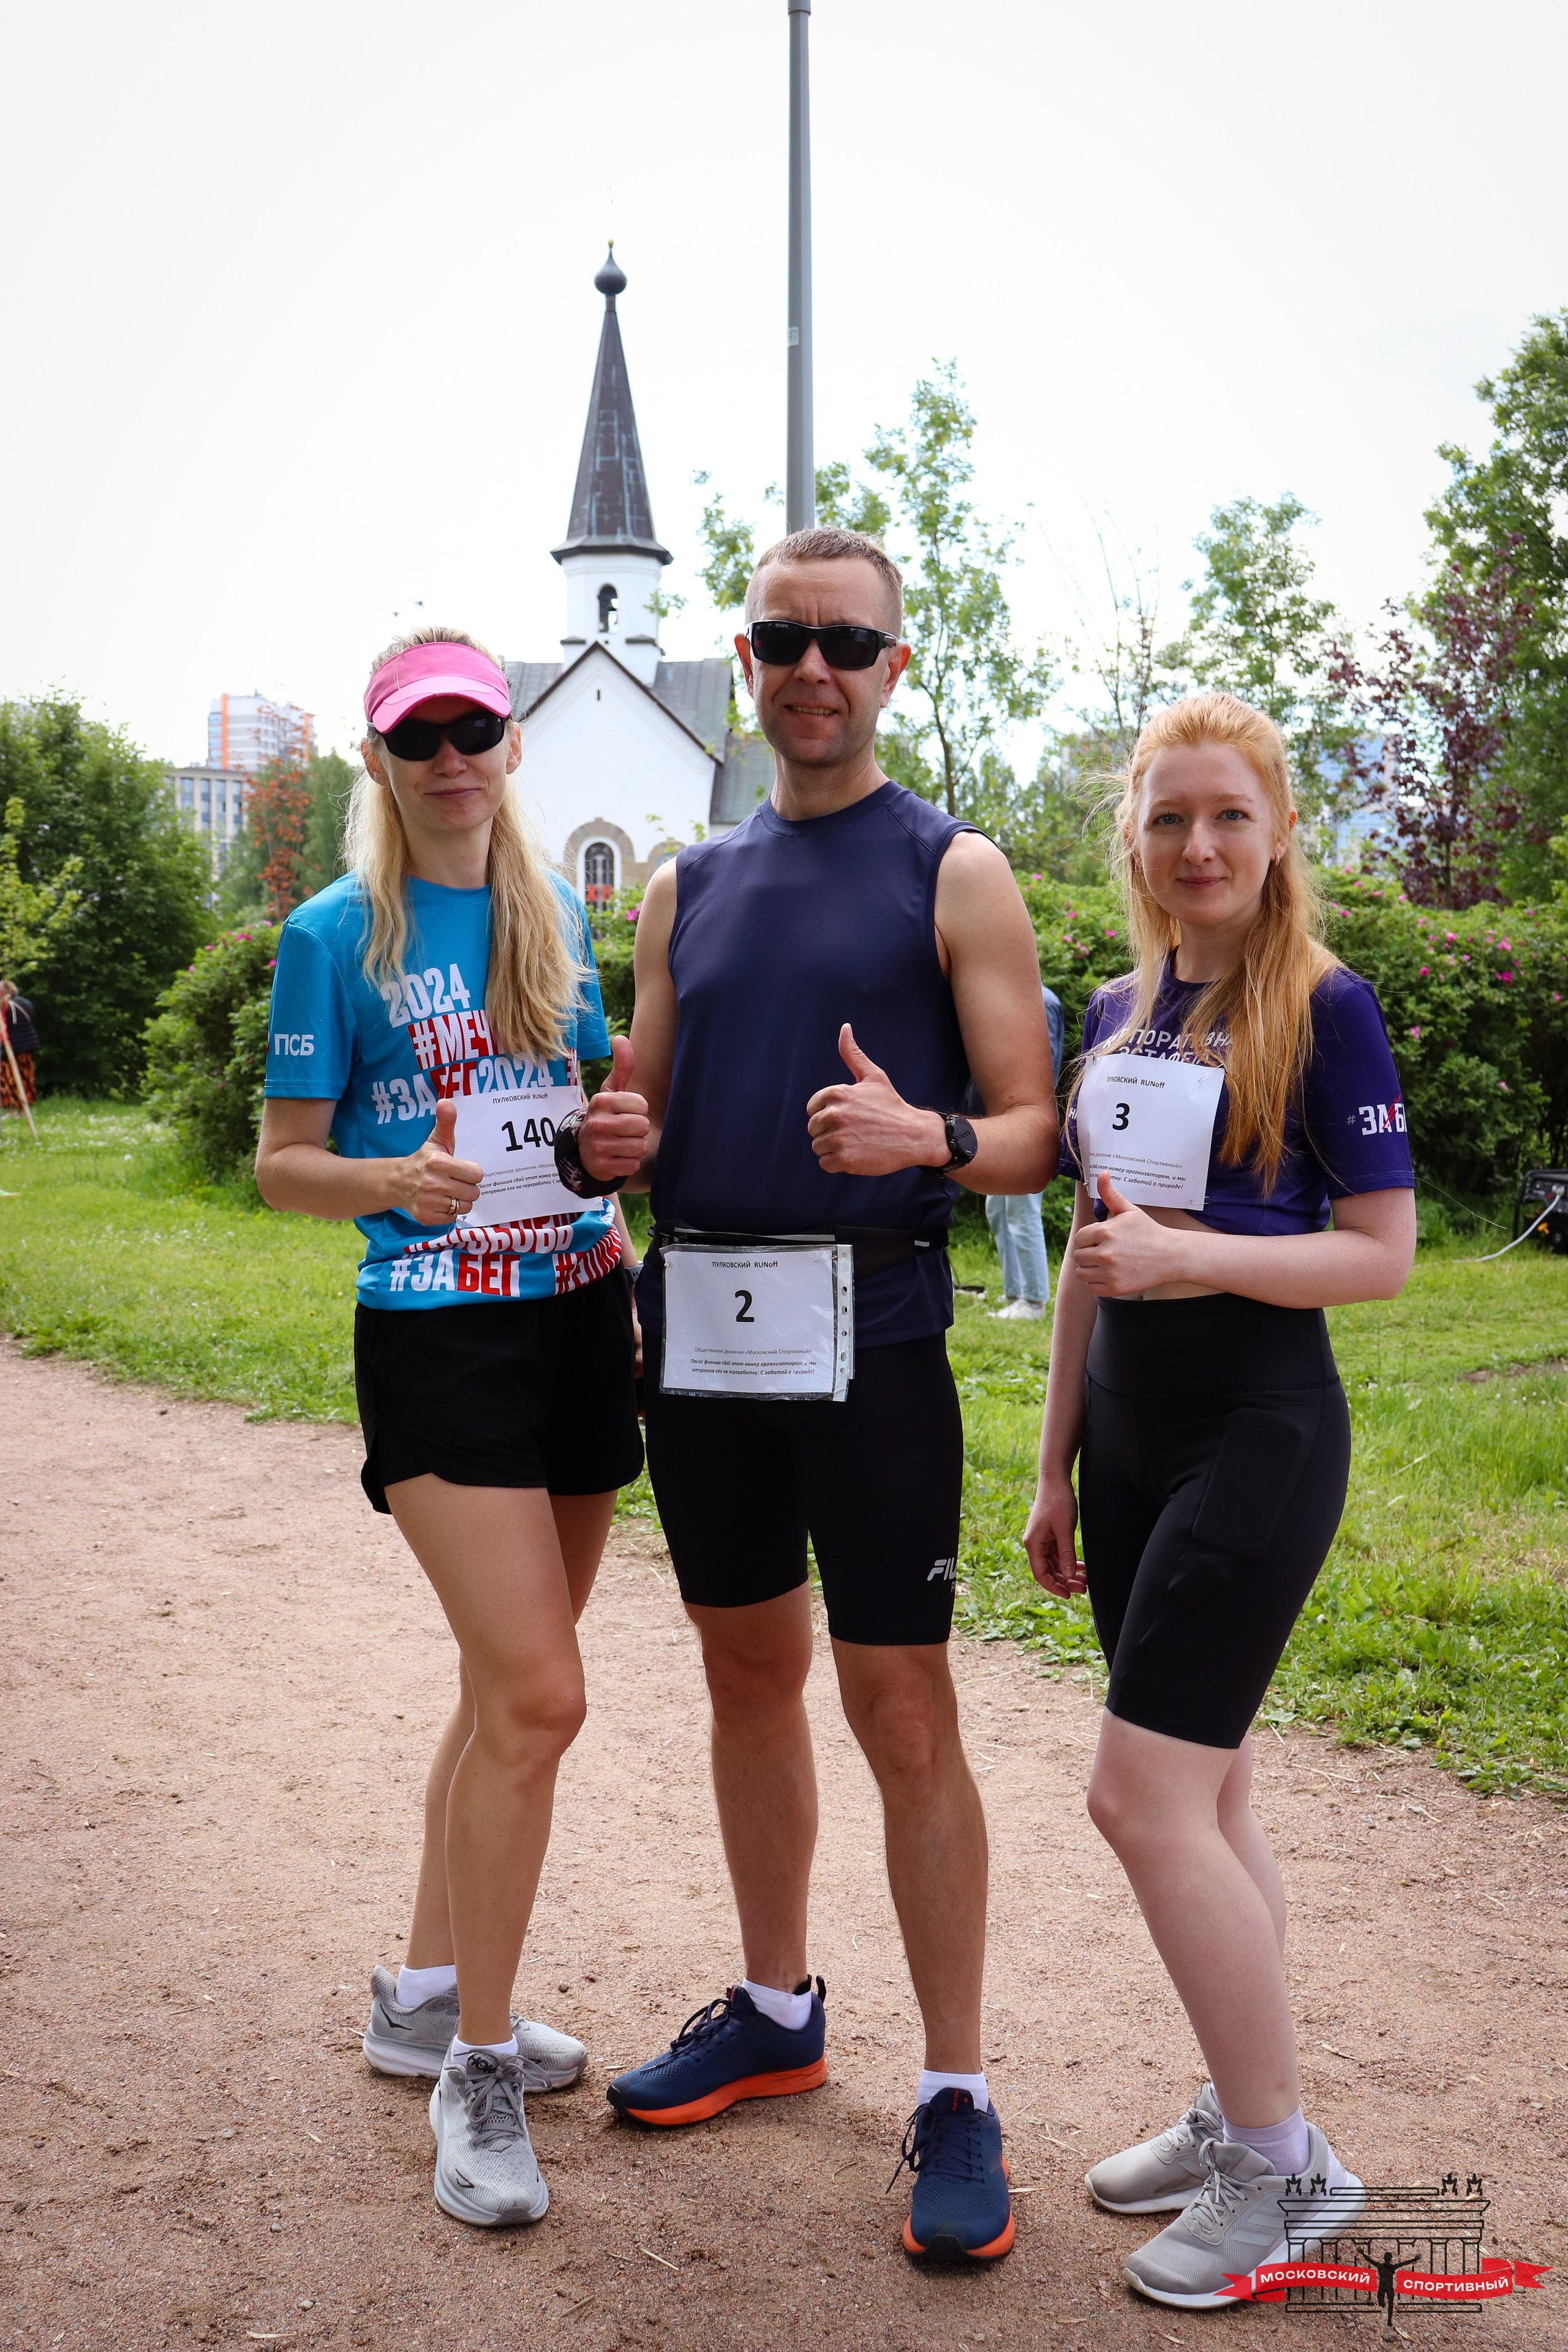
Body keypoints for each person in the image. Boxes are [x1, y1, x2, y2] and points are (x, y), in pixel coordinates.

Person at [569, 526, 1058, 2264]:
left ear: (892, 667)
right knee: (744, 1675)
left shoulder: (955, 871)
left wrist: (925, 1135)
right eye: (783, 637)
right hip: (703, 1334)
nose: (813, 668)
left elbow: (1034, 1133)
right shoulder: (682, 886)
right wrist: (606, 1135)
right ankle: (777, 2011)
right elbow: (633, 1115)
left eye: (847, 642)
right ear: (748, 657)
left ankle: (957, 2087)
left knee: (900, 1708)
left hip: (874, 1339)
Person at [1021, 692, 1415, 2310]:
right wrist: (1052, 1462)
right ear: (1134, 833)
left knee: (1141, 1800)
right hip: (1125, 1439)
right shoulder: (1118, 1010)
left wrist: (1200, 1261)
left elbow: (1381, 1255)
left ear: (1276, 833)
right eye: (1171, 816)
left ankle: (1279, 2166)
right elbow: (1089, 1258)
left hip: (1257, 1430)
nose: (1199, 845)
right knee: (1215, 1793)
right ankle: (1241, 2107)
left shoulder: (1325, 1007)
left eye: (1228, 816)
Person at [254, 627, 643, 2230]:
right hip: (435, 1331)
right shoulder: (332, 935)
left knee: (502, 1691)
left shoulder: (556, 914)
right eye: (419, 737)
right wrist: (389, 1178)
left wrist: (622, 1147)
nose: (451, 759)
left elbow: (595, 1123)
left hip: (581, 1315)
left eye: (474, 729)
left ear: (510, 744)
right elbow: (281, 1162)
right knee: (543, 1697)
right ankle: (476, 2072)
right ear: (381, 761)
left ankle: (422, 1999)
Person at [984, 983, 1064, 1319]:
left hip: (1027, 1124)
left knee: (1022, 1210)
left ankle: (1034, 1302)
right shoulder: (1011, 997)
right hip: (1001, 1121)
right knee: (997, 1209)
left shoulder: (1041, 1001)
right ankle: (1015, 1293)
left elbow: (1043, 1070)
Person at [0, 978, 40, 1120]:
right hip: (26, 1046)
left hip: (14, 1047)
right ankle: (22, 1110)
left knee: (9, 1079)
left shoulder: (8, 1004)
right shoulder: (25, 1002)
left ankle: (13, 1109)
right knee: (25, 1078)